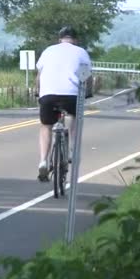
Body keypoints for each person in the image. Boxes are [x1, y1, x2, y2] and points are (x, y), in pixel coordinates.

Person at [35, 26, 92, 181]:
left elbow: (39, 76)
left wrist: (38, 91)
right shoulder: (81, 52)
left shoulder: (48, 51)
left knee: (46, 126)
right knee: (73, 116)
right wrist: (88, 93)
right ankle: (72, 150)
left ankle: (43, 162)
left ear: (59, 39)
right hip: (71, 95)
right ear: (75, 39)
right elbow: (85, 77)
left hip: (48, 94)